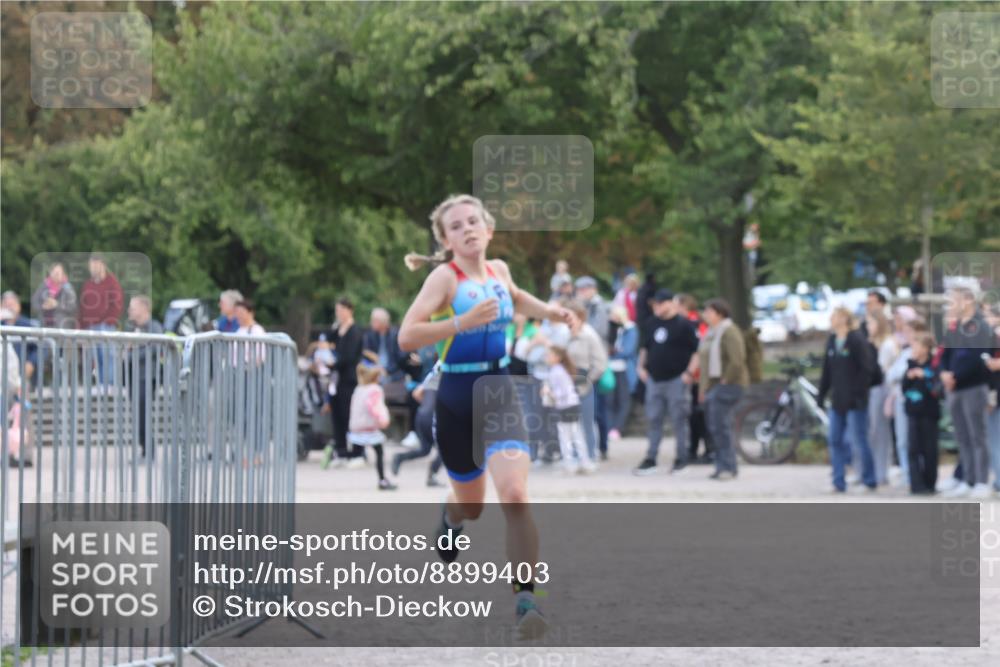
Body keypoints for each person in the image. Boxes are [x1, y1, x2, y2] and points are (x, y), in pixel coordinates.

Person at [398, 193, 572, 639]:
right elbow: (407, 336)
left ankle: (526, 601)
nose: (468, 229)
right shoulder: (444, 279)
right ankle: (451, 514)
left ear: (489, 230)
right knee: (473, 507)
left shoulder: (500, 271)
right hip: (456, 395)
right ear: (445, 239)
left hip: (499, 390)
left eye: (474, 221)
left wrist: (550, 311)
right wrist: (461, 322)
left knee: (514, 495)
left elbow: (515, 297)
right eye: (456, 226)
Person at [633, 289, 699, 476]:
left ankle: (682, 457)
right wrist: (641, 367)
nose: (657, 307)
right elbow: (646, 348)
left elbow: (696, 351)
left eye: (660, 303)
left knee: (679, 419)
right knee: (653, 419)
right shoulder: (651, 323)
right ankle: (651, 458)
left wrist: (688, 373)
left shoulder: (684, 324)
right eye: (655, 304)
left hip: (676, 379)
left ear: (670, 303)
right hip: (654, 379)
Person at [939, 287, 996, 498]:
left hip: (973, 386)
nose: (950, 305)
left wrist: (955, 376)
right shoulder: (955, 327)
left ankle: (981, 481)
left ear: (968, 301)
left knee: (977, 436)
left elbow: (978, 358)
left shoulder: (981, 326)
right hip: (955, 388)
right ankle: (967, 479)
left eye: (954, 300)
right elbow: (945, 353)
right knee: (962, 436)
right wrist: (944, 372)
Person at [818, 306, 877, 493]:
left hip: (855, 400)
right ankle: (838, 481)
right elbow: (827, 371)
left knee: (859, 439)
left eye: (835, 316)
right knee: (835, 439)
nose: (832, 319)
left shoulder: (856, 339)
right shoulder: (832, 340)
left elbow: (866, 369)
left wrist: (858, 392)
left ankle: (869, 479)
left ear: (844, 318)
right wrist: (821, 394)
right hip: (838, 400)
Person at [697, 299, 749, 480]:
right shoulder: (712, 333)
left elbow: (737, 359)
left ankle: (727, 466)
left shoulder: (729, 331)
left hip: (728, 385)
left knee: (721, 426)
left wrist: (726, 380)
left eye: (709, 311)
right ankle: (723, 465)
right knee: (716, 426)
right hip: (715, 385)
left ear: (720, 314)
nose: (705, 314)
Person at [364, 307, 421, 447]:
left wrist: (386, 370)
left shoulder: (395, 335)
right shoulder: (370, 336)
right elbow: (365, 356)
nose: (372, 323)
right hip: (375, 376)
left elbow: (399, 360)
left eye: (374, 320)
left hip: (394, 376)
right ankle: (368, 431)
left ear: (381, 322)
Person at [562, 299, 609, 464]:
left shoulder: (589, 335)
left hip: (584, 380)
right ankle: (573, 455)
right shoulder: (564, 334)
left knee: (586, 420)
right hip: (567, 381)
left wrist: (587, 381)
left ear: (580, 317)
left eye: (570, 317)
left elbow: (600, 363)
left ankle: (589, 454)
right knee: (570, 420)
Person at [885, 316, 926, 486]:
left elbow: (900, 374)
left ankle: (916, 474)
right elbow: (891, 376)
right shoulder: (904, 352)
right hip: (901, 400)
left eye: (909, 331)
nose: (906, 335)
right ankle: (906, 472)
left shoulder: (918, 352)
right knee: (902, 439)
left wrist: (900, 376)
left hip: (915, 402)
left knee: (914, 439)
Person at [348, 351, 397, 491]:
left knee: (355, 451)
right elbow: (374, 408)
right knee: (379, 452)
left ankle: (335, 452)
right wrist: (383, 420)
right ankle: (382, 480)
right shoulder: (375, 390)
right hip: (369, 428)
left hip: (357, 427)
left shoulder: (359, 389)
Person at [391, 361, 445, 487]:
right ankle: (432, 476)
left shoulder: (432, 374)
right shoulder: (449, 371)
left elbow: (416, 393)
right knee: (446, 449)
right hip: (432, 417)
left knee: (425, 450)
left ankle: (399, 457)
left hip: (421, 415)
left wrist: (426, 406)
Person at [902, 333, 943, 495]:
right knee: (913, 449)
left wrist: (925, 375)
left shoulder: (934, 366)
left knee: (929, 449)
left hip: (929, 413)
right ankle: (916, 484)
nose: (914, 349)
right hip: (913, 412)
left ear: (926, 348)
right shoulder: (910, 364)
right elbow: (904, 388)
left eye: (917, 346)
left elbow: (937, 387)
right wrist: (910, 376)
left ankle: (930, 484)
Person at [542, 345, 593, 474]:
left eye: (549, 355)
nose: (546, 357)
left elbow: (564, 392)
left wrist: (549, 392)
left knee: (566, 435)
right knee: (575, 434)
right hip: (570, 406)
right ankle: (583, 462)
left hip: (567, 406)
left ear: (557, 358)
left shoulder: (557, 371)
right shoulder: (558, 370)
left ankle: (571, 464)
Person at [327, 298, 366, 468]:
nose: (339, 314)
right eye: (337, 310)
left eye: (341, 310)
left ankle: (358, 452)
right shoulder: (338, 329)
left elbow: (350, 356)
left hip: (349, 378)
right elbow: (328, 342)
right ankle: (341, 450)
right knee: (337, 415)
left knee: (351, 415)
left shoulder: (355, 331)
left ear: (349, 310)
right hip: (336, 379)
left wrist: (333, 363)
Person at [126, 295, 164, 460]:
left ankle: (149, 450)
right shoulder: (132, 328)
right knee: (138, 413)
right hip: (133, 376)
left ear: (143, 308)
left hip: (148, 377)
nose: (130, 311)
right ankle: (144, 449)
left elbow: (155, 348)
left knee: (143, 413)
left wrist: (134, 351)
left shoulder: (154, 327)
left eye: (133, 307)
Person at [78, 253, 124, 385]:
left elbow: (116, 305)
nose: (92, 268)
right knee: (93, 359)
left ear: (102, 265)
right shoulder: (87, 285)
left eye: (95, 264)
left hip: (106, 326)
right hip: (89, 327)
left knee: (108, 358)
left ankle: (109, 389)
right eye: (91, 265)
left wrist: (109, 322)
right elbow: (82, 307)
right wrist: (81, 328)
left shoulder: (112, 282)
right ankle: (99, 389)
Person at [678, 293, 712, 464]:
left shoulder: (693, 324)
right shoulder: (693, 323)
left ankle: (705, 449)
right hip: (694, 376)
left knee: (699, 415)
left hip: (697, 377)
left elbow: (700, 351)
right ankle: (696, 449)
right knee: (694, 415)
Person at [866, 310, 898, 485]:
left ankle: (881, 472)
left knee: (880, 432)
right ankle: (877, 470)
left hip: (883, 389)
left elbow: (883, 370)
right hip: (876, 389)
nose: (868, 327)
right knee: (875, 432)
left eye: (871, 323)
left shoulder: (886, 344)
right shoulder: (873, 344)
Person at [607, 305, 638, 442]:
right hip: (610, 369)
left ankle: (617, 428)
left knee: (623, 400)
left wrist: (613, 353)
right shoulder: (612, 328)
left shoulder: (630, 329)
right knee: (610, 400)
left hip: (624, 369)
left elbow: (628, 350)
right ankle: (610, 427)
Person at [1, 291, 38, 386]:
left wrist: (31, 362)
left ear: (19, 306)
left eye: (12, 304)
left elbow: (39, 347)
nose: (9, 308)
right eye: (6, 305)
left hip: (22, 374)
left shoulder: (27, 325)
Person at [31, 262, 77, 329]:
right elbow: (34, 301)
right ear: (50, 273)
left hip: (62, 328)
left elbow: (73, 307)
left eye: (58, 273)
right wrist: (42, 307)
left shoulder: (68, 288)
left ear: (63, 274)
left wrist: (57, 305)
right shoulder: (43, 286)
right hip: (44, 327)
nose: (56, 275)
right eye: (54, 272)